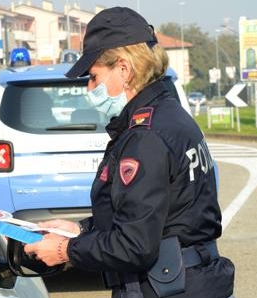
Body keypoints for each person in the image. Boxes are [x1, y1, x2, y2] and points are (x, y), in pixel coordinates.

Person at [23, 7, 235, 298]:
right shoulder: (171, 115)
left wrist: (64, 250)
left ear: (123, 69)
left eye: (94, 76)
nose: (90, 87)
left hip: (166, 288)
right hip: (195, 280)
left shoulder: (145, 136)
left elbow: (135, 244)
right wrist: (80, 230)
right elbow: (150, 214)